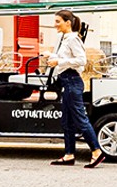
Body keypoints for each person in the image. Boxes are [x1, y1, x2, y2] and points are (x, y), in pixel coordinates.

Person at [46, 10, 107, 168]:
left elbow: (81, 60)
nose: (55, 24)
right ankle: (69, 155)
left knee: (80, 119)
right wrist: (52, 58)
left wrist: (58, 61)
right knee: (67, 121)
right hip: (67, 82)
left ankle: (96, 151)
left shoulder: (73, 38)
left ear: (68, 23)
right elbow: (66, 59)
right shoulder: (65, 39)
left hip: (72, 81)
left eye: (58, 21)